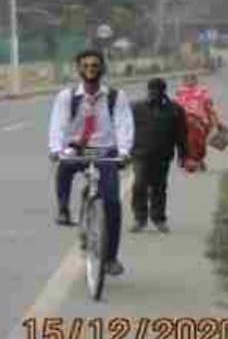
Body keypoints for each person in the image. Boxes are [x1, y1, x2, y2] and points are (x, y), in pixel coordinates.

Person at [47, 49, 134, 276]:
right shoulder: (67, 97)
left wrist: (124, 152)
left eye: (95, 66)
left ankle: (111, 258)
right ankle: (64, 208)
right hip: (78, 148)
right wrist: (56, 149)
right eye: (85, 66)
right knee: (64, 167)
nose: (90, 71)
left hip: (105, 150)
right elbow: (58, 124)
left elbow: (124, 125)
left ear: (102, 69)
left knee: (113, 203)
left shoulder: (116, 97)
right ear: (79, 69)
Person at [129, 77, 188, 232]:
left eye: (158, 90)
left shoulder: (175, 110)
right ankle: (140, 218)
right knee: (139, 184)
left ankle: (158, 218)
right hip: (140, 154)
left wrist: (183, 154)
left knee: (159, 187)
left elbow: (181, 134)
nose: (154, 93)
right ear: (148, 90)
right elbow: (126, 130)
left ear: (164, 91)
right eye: (152, 90)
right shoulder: (137, 108)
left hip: (163, 155)